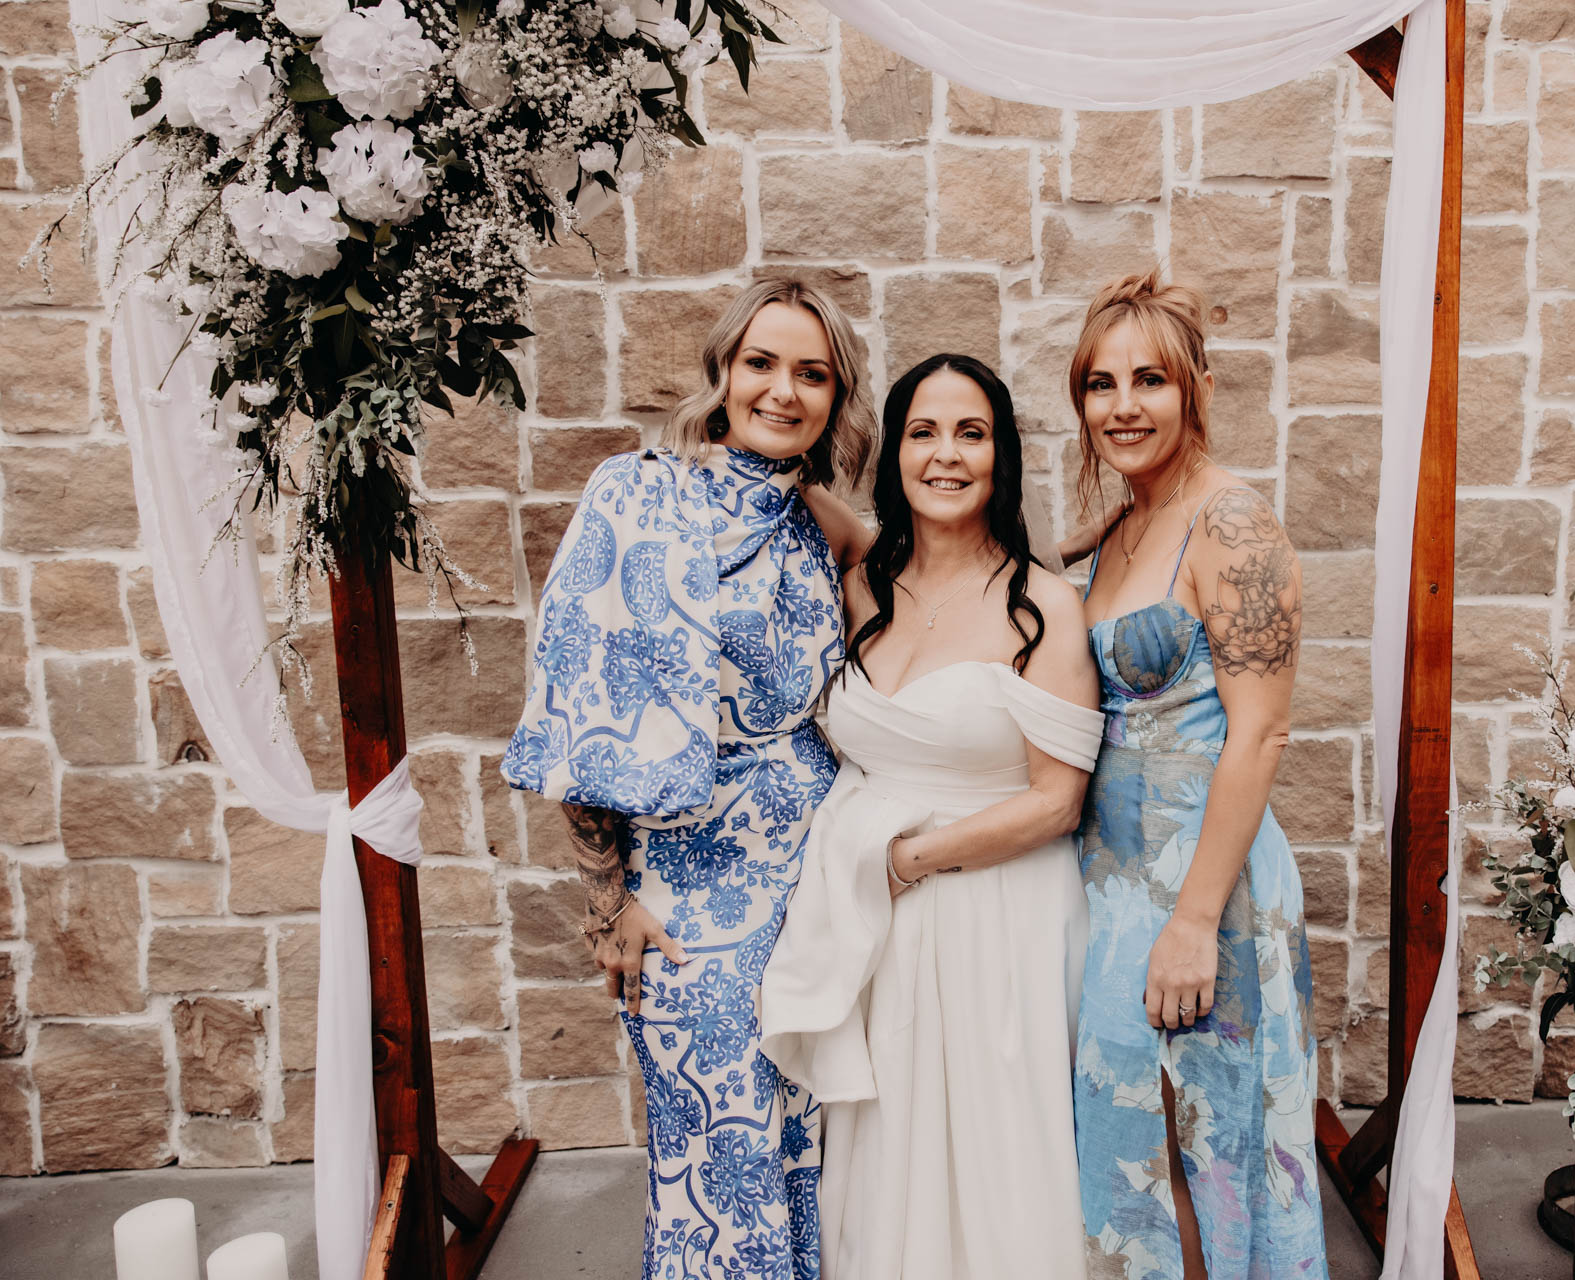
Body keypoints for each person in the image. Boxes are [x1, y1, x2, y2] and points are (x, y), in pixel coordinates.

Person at [500, 278, 874, 1280]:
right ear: (723, 372)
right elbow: (585, 702)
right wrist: (604, 893)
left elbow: (927, 599)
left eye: (813, 374)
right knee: (719, 1161)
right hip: (685, 898)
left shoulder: (825, 527)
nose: (783, 392)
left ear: (838, 400)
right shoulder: (636, 494)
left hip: (815, 889)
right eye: (762, 363)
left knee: (808, 1155)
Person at [759, 354, 1104, 1279]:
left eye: (971, 433)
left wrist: (907, 861)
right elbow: (760, 461)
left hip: (999, 914)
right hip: (875, 923)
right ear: (894, 454)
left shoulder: (1046, 607)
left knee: (997, 1150)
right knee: (889, 1147)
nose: (945, 456)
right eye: (923, 433)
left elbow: (1058, 801)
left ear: (1002, 456)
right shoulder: (860, 573)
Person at [1069, 271, 1326, 1280]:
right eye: (1100, 383)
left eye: (1149, 380)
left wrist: (1191, 918)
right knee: (1135, 1147)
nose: (1123, 406)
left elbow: (1259, 735)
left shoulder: (1233, 526)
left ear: (1196, 389)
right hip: (1113, 886)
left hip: (1204, 887)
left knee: (1213, 1153)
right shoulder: (1123, 526)